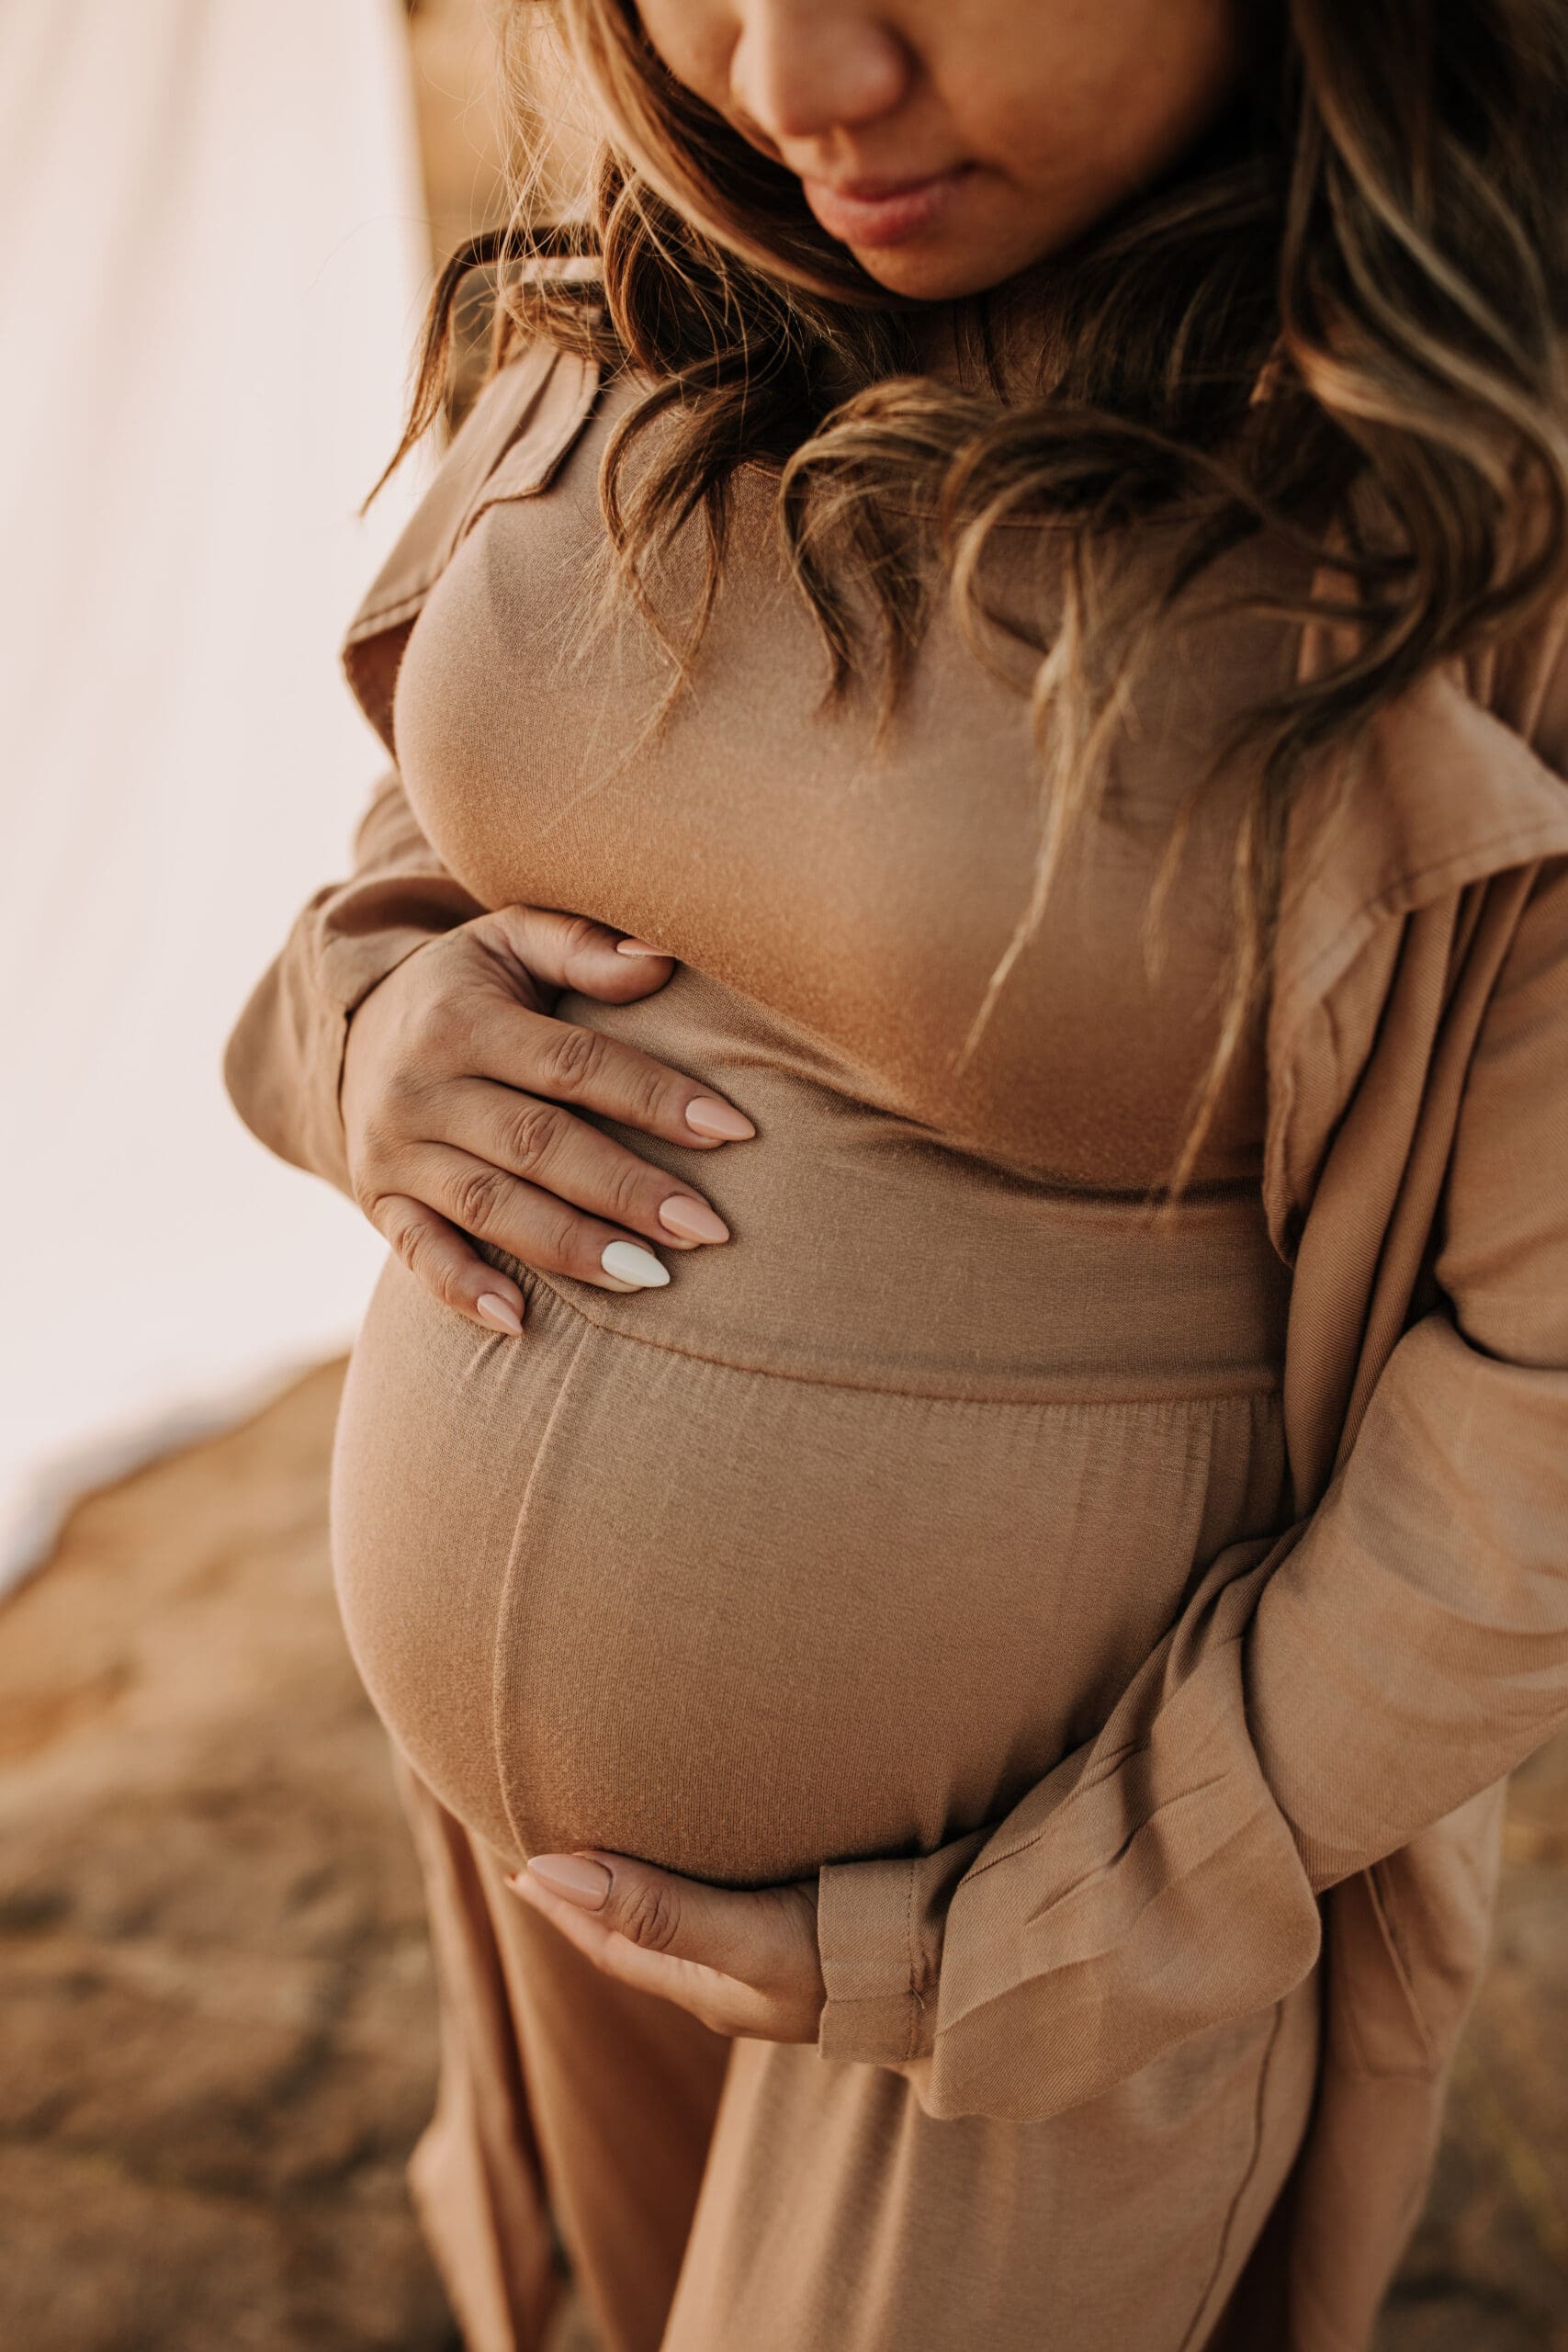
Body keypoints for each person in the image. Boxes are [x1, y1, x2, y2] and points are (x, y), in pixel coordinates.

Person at [222, 4, 1568, 2347]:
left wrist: (1095, 1902)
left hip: (1030, 1934)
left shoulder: (1474, 481)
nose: (794, 80)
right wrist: (370, 1026)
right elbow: (454, 807)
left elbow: (1545, 1381)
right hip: (538, 1873)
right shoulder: (654, 274)